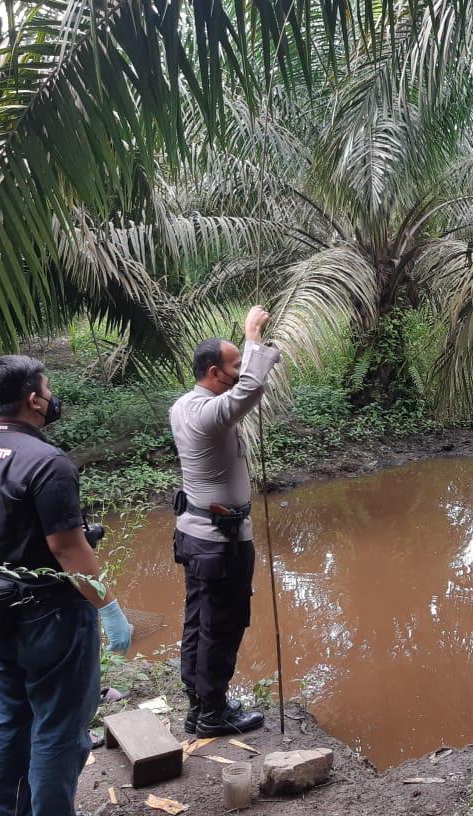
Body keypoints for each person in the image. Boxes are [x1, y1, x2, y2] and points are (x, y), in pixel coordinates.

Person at [0, 355, 133, 816]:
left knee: (10, 715)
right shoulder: (48, 463)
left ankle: (6, 810)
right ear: (33, 400)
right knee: (59, 727)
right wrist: (109, 608)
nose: (52, 398)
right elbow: (68, 549)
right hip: (53, 615)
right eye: (48, 390)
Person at [170, 305, 281, 736]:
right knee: (222, 626)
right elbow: (250, 389)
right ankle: (213, 714)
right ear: (215, 373)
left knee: (199, 622)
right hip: (218, 542)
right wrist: (252, 336)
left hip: (200, 537)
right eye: (235, 366)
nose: (240, 372)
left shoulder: (184, 406)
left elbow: (244, 389)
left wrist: (253, 351)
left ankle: (199, 705)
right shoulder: (207, 414)